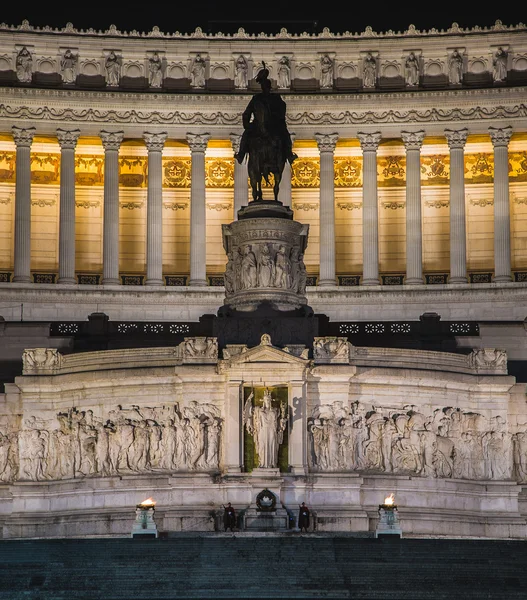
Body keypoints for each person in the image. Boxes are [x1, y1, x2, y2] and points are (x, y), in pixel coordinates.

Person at [235, 62, 297, 167]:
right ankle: (241, 154)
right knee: (245, 135)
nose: (266, 88)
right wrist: (247, 124)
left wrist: (278, 118)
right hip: (258, 124)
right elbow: (247, 113)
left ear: (269, 87)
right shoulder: (256, 98)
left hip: (274, 124)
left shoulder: (276, 98)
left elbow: (283, 107)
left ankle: (289, 154)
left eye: (267, 86)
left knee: (285, 135)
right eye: (264, 86)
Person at [243, 389, 287, 469]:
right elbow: (249, 412)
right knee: (262, 447)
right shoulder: (259, 410)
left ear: (270, 400)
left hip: (272, 431)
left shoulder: (275, 411)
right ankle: (262, 463)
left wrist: (283, 419)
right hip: (262, 430)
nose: (267, 401)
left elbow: (279, 423)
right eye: (266, 399)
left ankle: (272, 464)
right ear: (263, 400)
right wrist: (249, 399)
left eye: (269, 399)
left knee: (272, 446)